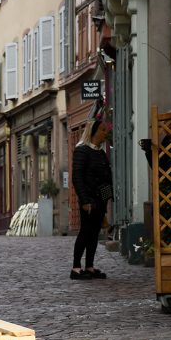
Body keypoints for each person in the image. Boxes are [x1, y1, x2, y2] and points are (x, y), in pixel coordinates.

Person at [71, 117, 113, 280]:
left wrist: (107, 198)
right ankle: (76, 268)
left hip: (100, 200)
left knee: (94, 233)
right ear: (93, 131)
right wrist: (84, 200)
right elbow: (77, 177)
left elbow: (106, 177)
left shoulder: (100, 152)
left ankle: (89, 266)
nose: (105, 132)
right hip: (88, 199)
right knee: (85, 232)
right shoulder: (82, 150)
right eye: (102, 130)